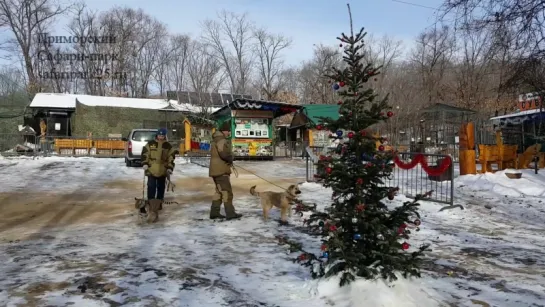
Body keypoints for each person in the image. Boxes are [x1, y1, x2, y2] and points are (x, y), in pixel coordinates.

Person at [141, 128, 177, 215]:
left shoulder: (168, 146)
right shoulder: (150, 144)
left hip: (163, 170)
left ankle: (159, 203)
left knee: (161, 188)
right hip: (151, 169)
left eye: (163, 135)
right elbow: (145, 154)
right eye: (160, 135)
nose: (161, 137)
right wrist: (145, 163)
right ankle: (151, 203)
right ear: (157, 135)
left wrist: (170, 168)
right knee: (151, 187)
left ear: (165, 136)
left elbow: (171, 158)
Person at [209, 129, 242, 220]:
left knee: (219, 192)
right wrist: (230, 157)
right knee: (227, 192)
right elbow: (223, 154)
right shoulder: (221, 140)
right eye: (228, 131)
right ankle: (230, 213)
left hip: (215, 170)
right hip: (221, 171)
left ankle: (214, 213)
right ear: (224, 131)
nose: (229, 133)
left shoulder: (215, 140)